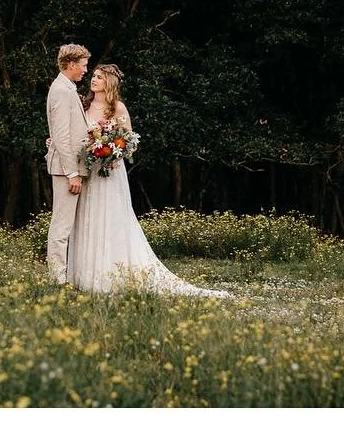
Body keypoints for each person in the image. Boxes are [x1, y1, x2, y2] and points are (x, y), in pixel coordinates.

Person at [66, 63, 230, 297]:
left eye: (99, 77)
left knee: (111, 219)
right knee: (87, 218)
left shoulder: (118, 108)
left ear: (109, 83)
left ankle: (111, 275)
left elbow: (129, 142)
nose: (93, 80)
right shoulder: (83, 104)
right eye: (93, 76)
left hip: (110, 173)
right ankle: (85, 275)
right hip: (89, 172)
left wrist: (112, 153)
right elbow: (75, 136)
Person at [44, 43, 92, 285]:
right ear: (71, 64)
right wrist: (72, 172)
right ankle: (57, 279)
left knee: (66, 225)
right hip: (66, 170)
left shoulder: (66, 88)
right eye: (83, 65)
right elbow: (62, 136)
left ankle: (67, 275)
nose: (86, 70)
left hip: (69, 167)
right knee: (61, 226)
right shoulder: (62, 91)